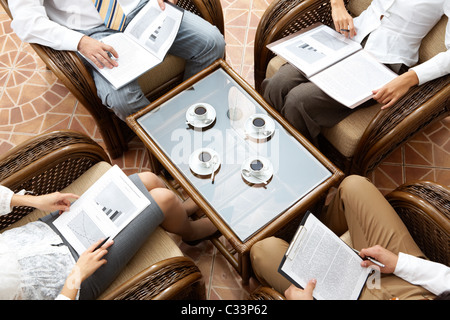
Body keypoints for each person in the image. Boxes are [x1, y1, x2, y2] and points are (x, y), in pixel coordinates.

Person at [0, 171, 216, 300]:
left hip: (42, 233)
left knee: (148, 179)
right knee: (163, 199)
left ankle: (182, 215)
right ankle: (192, 232)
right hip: (72, 275)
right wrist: (77, 275)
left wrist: (35, 201)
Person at [262, 0, 450, 145]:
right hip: (348, 36)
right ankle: (271, 146)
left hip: (385, 63)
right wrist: (337, 6)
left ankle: (303, 171)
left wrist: (410, 78)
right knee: (279, 82)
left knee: (298, 100)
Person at [8, 0, 226, 121]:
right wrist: (80, 41)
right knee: (123, 99)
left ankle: (193, 110)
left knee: (212, 42)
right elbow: (27, 22)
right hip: (91, 33)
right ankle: (163, 133)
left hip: (141, 6)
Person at [250, 175, 450, 300]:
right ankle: (316, 235)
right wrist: (399, 263)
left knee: (263, 251)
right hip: (412, 287)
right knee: (354, 185)